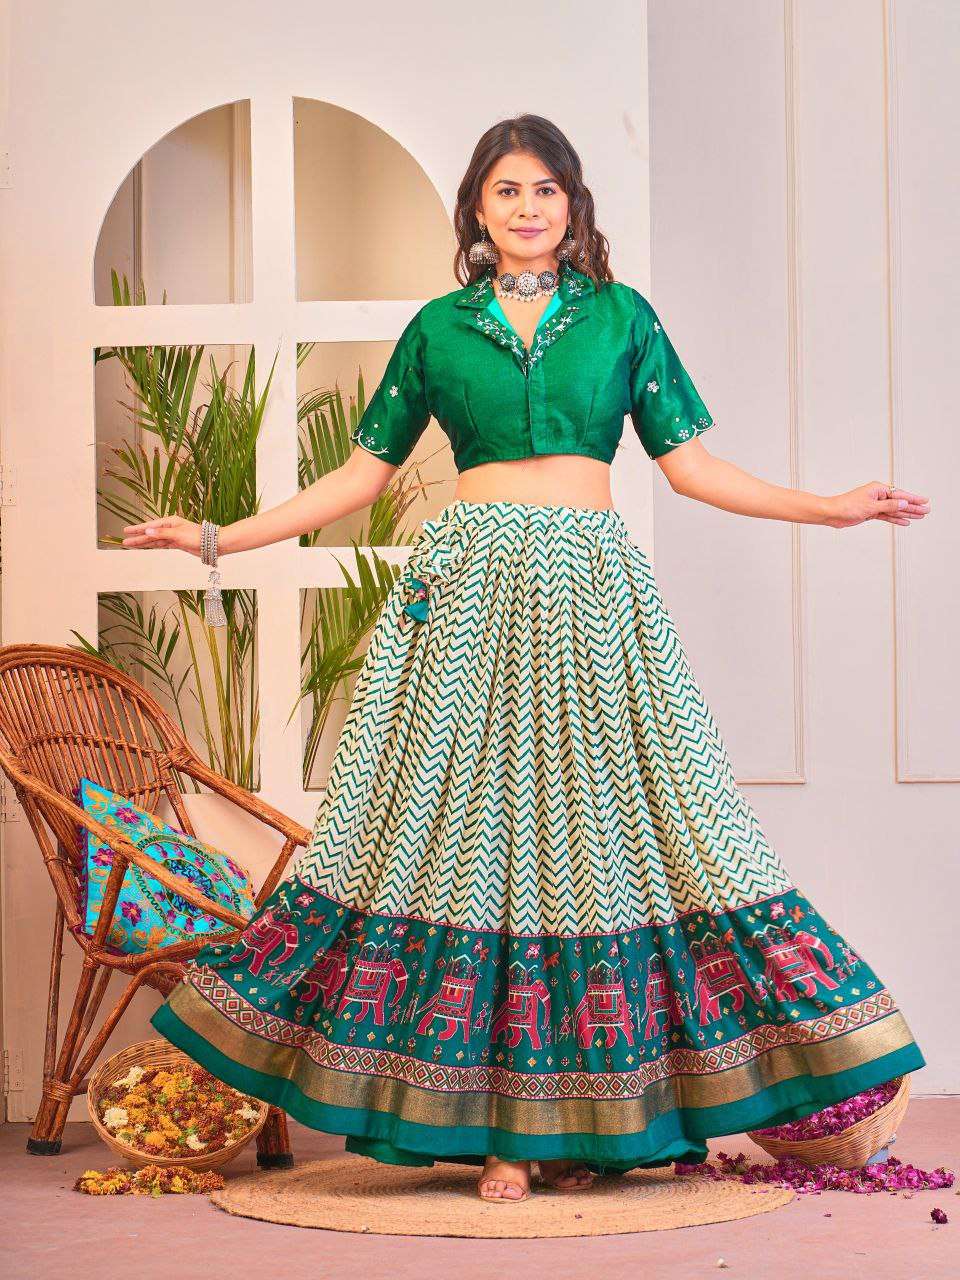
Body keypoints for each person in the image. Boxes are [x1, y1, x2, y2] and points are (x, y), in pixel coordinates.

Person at [127, 114, 930, 1205]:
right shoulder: (439, 328)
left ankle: (588, 1116)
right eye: (506, 190)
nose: (526, 208)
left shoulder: (622, 317)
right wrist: (216, 538)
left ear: (572, 204)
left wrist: (828, 508)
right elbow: (358, 478)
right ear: (477, 207)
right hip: (467, 595)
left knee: (609, 842)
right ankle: (502, 1133)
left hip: (593, 595)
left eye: (545, 189)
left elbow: (693, 468)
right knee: (467, 845)